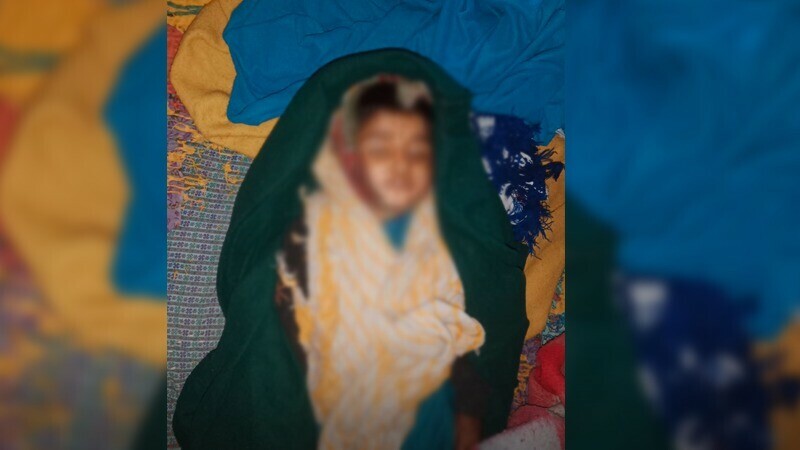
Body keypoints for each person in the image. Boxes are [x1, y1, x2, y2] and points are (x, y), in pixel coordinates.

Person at [275, 77, 487, 449]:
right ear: (349, 159)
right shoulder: (316, 231)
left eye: (417, 152)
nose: (401, 165)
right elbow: (293, 323)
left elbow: (454, 332)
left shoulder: (437, 242)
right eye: (381, 149)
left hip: (436, 415)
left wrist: (468, 418)